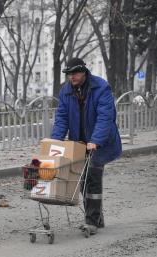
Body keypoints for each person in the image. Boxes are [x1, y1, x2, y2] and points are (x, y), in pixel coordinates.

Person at [51, 58, 122, 235]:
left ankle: (91, 221)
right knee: (81, 181)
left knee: (92, 178)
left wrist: (96, 140)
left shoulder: (100, 87)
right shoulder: (66, 91)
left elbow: (105, 117)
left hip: (102, 143)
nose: (71, 77)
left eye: (74, 73)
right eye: (69, 74)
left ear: (84, 72)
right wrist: (55, 141)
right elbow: (62, 117)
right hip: (80, 144)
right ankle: (97, 217)